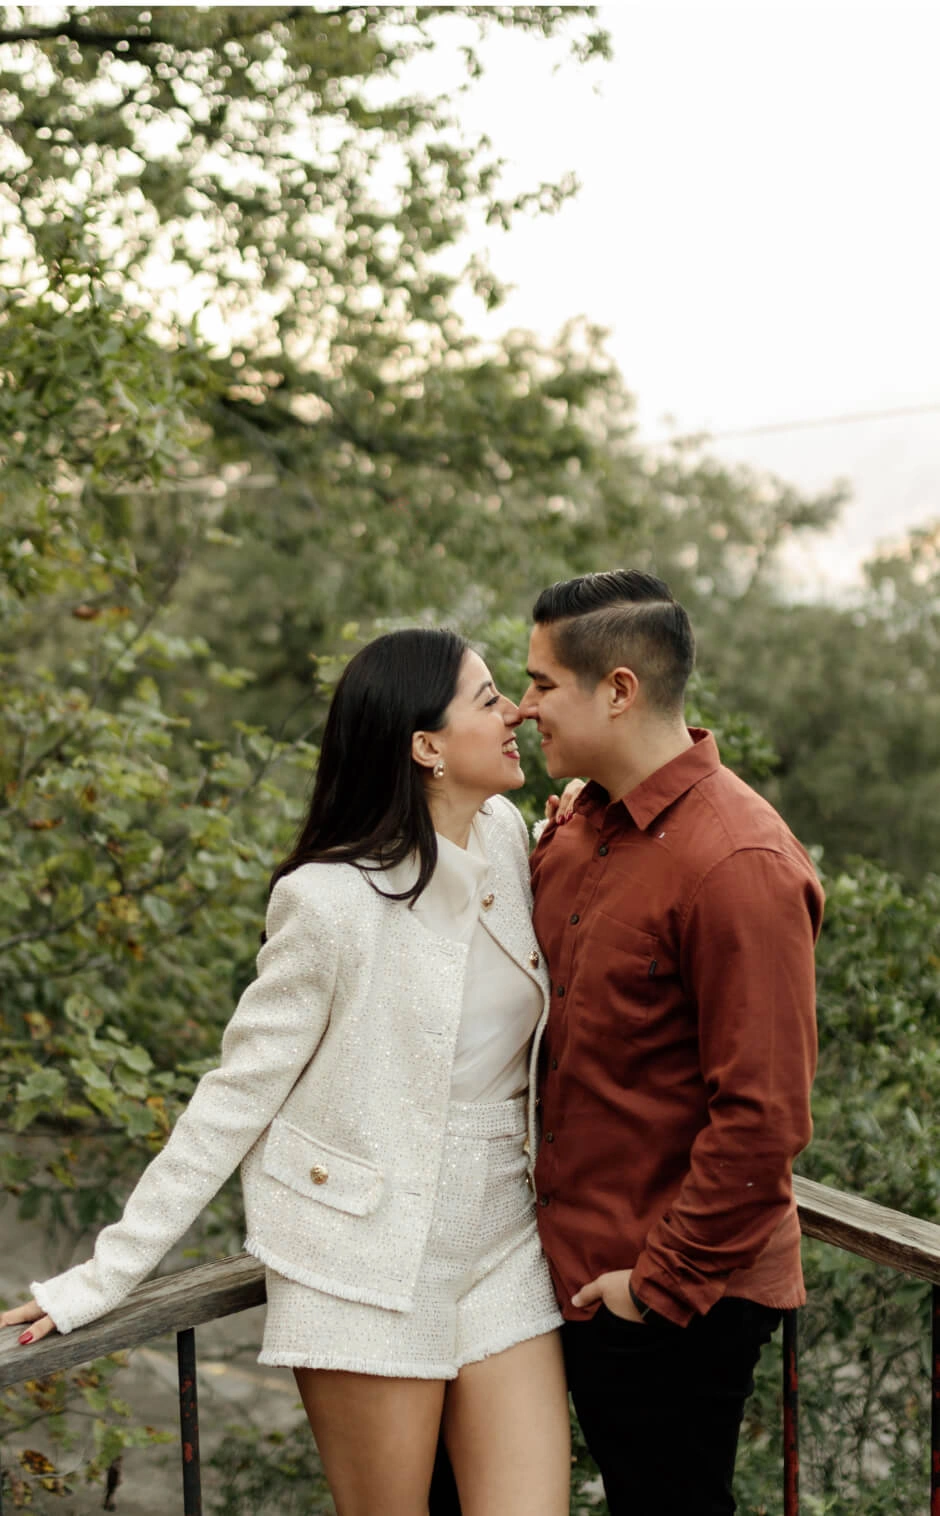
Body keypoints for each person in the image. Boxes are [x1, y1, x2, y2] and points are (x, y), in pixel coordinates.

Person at [0, 628, 571, 1516]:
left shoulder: (505, 836)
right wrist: (102, 1279)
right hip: (362, 1255)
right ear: (425, 747)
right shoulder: (328, 902)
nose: (517, 713)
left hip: (503, 1236)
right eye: (490, 698)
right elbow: (232, 1100)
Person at [515, 570, 825, 1516]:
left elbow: (764, 1117)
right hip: (555, 1271)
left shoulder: (739, 864)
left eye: (539, 684)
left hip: (675, 1291)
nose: (524, 708)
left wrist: (656, 1287)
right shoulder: (576, 828)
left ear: (618, 688)